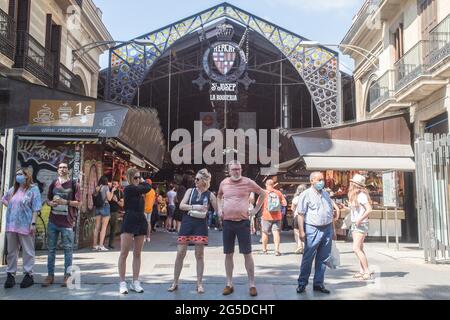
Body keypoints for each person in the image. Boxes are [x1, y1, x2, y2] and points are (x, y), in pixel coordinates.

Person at [217, 160, 266, 297]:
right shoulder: (224, 183)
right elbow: (219, 196)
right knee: (228, 253)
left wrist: (256, 210)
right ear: (229, 170)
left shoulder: (247, 182)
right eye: (234, 169)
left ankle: (252, 284)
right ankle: (229, 283)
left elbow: (263, 193)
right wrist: (219, 209)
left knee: (247, 253)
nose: (236, 171)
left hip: (242, 222)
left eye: (238, 169)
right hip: (228, 222)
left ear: (241, 170)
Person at [168, 169, 218, 294]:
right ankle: (175, 281)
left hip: (200, 225)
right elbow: (181, 205)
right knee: (180, 253)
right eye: (195, 178)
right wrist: (195, 207)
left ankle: (199, 283)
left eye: (197, 179)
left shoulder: (210, 195)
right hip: (187, 223)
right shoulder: (190, 191)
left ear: (204, 181)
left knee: (199, 255)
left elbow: (218, 209)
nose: (194, 181)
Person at [296, 172, 340, 294]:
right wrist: (301, 231)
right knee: (308, 257)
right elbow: (300, 214)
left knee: (323, 258)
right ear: (312, 181)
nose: (322, 182)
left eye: (322, 179)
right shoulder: (306, 194)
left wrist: (333, 230)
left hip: (326, 229)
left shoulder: (326, 194)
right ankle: (302, 283)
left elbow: (330, 213)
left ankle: (318, 283)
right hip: (312, 229)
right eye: (319, 180)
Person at [42, 162, 81, 288]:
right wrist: (50, 203)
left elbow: (79, 203)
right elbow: (48, 199)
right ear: (57, 170)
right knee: (51, 250)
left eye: (64, 167)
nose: (62, 169)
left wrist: (66, 202)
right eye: (60, 167)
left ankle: (67, 276)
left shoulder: (74, 184)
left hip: (67, 222)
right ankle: (50, 276)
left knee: (68, 250)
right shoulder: (54, 183)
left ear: (68, 170)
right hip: (53, 221)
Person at [2, 168, 42, 289]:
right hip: (11, 225)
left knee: (28, 251)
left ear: (27, 176)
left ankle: (28, 275)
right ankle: (10, 275)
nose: (18, 176)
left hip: (26, 225)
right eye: (17, 174)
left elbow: (36, 207)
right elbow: (4, 199)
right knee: (11, 251)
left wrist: (33, 223)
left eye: (21, 174)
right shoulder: (13, 189)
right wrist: (11, 207)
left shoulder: (33, 189)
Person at [118, 168, 152, 294]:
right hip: (130, 219)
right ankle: (122, 282)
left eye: (139, 177)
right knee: (124, 253)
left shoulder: (138, 190)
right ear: (130, 178)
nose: (138, 180)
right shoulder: (129, 188)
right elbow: (148, 187)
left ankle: (135, 281)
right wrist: (144, 181)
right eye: (136, 177)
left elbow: (146, 188)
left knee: (137, 253)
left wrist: (142, 181)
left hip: (140, 219)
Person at [348, 174, 373, 280]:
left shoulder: (361, 195)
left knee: (356, 248)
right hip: (356, 223)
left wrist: (360, 219)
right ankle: (362, 270)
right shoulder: (356, 195)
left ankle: (367, 271)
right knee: (360, 248)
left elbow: (369, 209)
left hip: (360, 224)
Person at [261, 179, 287, 256]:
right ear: (273, 184)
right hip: (277, 217)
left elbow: (257, 203)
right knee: (276, 233)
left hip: (266, 216)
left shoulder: (263, 193)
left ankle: (264, 250)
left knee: (265, 233)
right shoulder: (278, 193)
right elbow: (284, 203)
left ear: (266, 185)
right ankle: (276, 251)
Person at [92, 176, 113, 251]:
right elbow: (109, 198)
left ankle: (94, 245)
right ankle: (101, 245)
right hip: (105, 206)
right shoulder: (106, 187)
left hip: (97, 207)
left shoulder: (97, 187)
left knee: (97, 227)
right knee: (103, 227)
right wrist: (112, 191)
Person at [107, 180, 124, 249]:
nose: (114, 185)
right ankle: (100, 243)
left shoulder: (120, 192)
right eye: (113, 184)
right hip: (106, 211)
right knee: (103, 228)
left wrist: (116, 200)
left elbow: (122, 204)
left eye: (115, 184)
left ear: (118, 185)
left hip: (114, 212)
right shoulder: (108, 190)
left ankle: (111, 243)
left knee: (113, 228)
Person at [291, 184, 307, 254]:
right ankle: (305, 246)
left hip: (297, 216)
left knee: (297, 231)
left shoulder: (296, 198)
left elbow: (292, 208)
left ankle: (299, 245)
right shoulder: (308, 197)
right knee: (305, 232)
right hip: (307, 217)